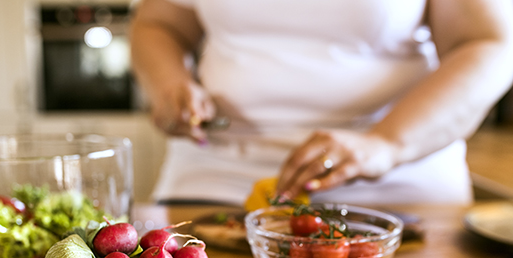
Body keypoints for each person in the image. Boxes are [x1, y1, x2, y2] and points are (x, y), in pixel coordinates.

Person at [130, 0, 513, 206]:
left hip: (398, 195)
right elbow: (159, 23)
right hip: (212, 183)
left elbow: (490, 44)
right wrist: (169, 83)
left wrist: (385, 143)